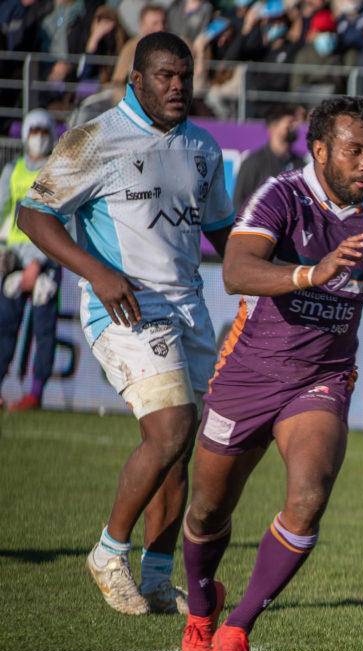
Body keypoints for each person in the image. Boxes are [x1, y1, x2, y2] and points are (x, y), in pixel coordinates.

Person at [179, 96, 363, 651]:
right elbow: (236, 269)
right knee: (206, 509)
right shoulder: (280, 196)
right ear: (320, 149)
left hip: (321, 380)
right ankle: (202, 609)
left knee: (309, 496)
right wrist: (310, 272)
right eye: (355, 150)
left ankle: (238, 627)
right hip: (248, 373)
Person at [19, 31, 236, 615]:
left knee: (179, 445)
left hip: (188, 308)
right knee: (170, 429)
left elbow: (224, 235)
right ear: (135, 79)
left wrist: (281, 275)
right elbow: (32, 214)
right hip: (123, 308)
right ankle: (108, 552)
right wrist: (99, 273)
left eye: (185, 76)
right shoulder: (93, 140)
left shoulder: (204, 148)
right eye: (165, 75)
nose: (177, 86)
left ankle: (159, 578)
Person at [0, 109, 61, 412]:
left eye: (44, 129)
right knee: (5, 326)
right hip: (13, 259)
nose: (39, 135)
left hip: (45, 259)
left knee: (43, 330)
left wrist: (39, 262)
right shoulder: (13, 171)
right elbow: (3, 212)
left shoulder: (56, 172)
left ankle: (35, 394)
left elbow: (57, 219)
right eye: (33, 129)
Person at [232, 103, 305, 211]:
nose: (295, 126)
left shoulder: (301, 163)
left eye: (295, 122)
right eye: (290, 123)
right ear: (273, 128)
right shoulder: (253, 162)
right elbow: (239, 202)